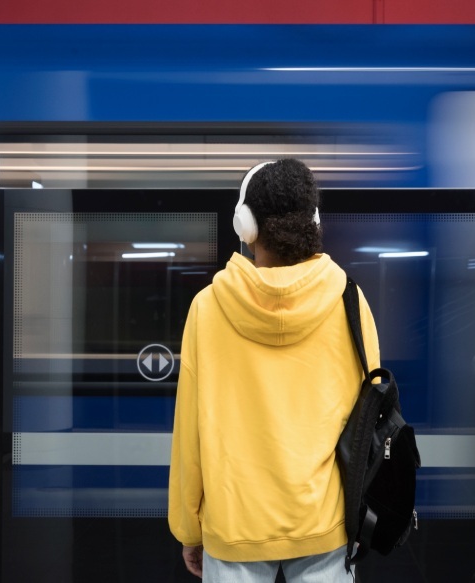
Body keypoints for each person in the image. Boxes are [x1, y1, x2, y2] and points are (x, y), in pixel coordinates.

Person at [168, 158, 381, 581]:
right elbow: (369, 422)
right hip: (325, 520)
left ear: (245, 226)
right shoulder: (351, 303)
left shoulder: (208, 308)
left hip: (234, 523)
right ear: (314, 221)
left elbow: (189, 430)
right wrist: (363, 514)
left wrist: (189, 528)